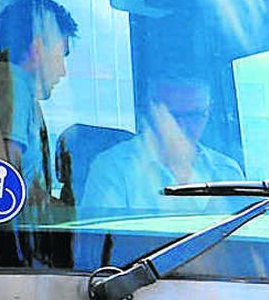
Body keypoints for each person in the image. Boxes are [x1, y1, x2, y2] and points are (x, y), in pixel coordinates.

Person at [0, 0, 78, 267]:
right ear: (37, 49)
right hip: (15, 258)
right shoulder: (11, 84)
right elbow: (5, 182)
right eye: (61, 55)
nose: (62, 70)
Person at [81, 73, 242, 219]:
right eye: (173, 116)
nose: (183, 126)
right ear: (151, 112)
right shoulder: (112, 168)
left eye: (195, 115)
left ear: (208, 112)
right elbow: (105, 243)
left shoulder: (226, 171)